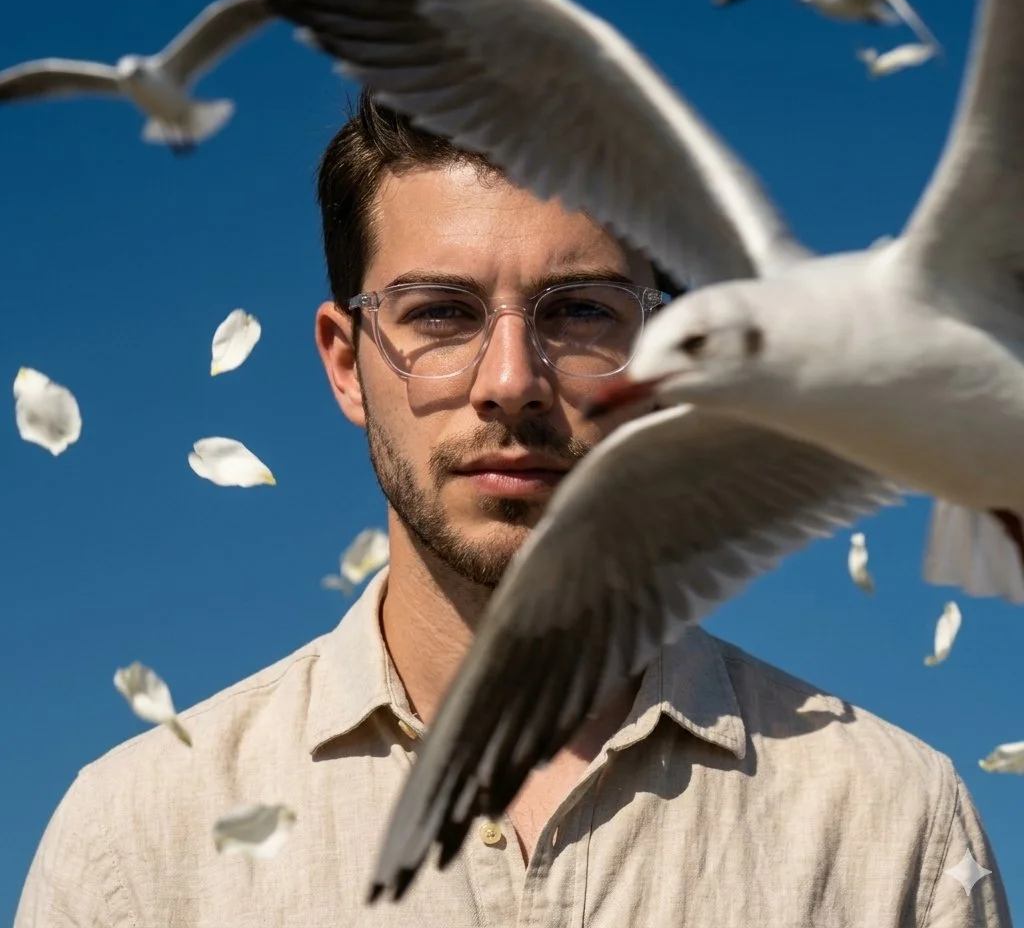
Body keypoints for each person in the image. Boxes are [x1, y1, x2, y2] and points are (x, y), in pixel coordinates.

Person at [16, 90, 1011, 927]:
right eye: (439, 314)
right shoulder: (137, 844)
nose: (512, 381)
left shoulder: (891, 828)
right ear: (343, 362)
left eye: (579, 311)